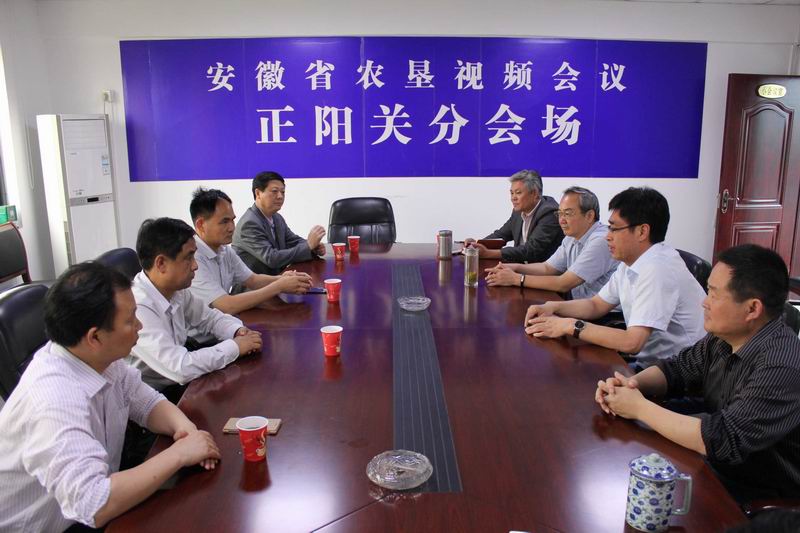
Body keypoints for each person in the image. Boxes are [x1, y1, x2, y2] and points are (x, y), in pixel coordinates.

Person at [0, 262, 221, 531]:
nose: (139, 325)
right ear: (94, 337)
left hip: (88, 508)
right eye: (130, 320)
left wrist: (186, 431)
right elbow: (93, 503)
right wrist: (180, 454)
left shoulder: (97, 357)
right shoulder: (53, 400)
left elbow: (146, 402)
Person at [596, 245, 800, 503]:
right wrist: (631, 385)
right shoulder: (725, 337)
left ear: (752, 309)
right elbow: (677, 370)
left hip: (761, 489)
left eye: (714, 294)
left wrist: (638, 408)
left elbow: (724, 439)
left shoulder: (781, 366)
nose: (704, 301)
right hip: (715, 462)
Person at [525, 187, 706, 367]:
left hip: (680, 372)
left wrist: (569, 325)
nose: (607, 237)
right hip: (653, 365)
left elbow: (632, 342)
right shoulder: (631, 262)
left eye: (614, 229)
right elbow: (596, 305)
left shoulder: (658, 269)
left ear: (642, 232)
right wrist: (553, 306)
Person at [128, 217, 263, 392]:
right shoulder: (137, 307)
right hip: (154, 393)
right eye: (188, 257)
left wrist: (236, 331)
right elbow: (180, 368)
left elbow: (209, 318)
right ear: (161, 263)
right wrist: (236, 346)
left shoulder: (175, 290)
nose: (195, 266)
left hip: (181, 380)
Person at [190, 187, 312, 314]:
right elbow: (227, 306)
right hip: (203, 326)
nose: (232, 228)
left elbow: (253, 280)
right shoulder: (192, 258)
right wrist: (279, 286)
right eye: (224, 221)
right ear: (200, 225)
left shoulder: (224, 250)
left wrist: (282, 279)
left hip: (221, 322)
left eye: (232, 220)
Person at [485, 186, 618, 299]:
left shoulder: (601, 241)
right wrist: (514, 268)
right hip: (579, 303)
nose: (562, 220)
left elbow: (564, 283)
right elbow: (548, 268)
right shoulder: (572, 236)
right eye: (560, 214)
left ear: (589, 216)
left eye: (567, 213)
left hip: (603, 314)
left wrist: (516, 279)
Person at [232, 171, 327, 275]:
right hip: (257, 284)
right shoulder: (249, 224)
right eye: (274, 191)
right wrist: (308, 246)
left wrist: (314, 247)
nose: (280, 196)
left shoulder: (277, 218)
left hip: (277, 279)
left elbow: (292, 241)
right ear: (258, 193)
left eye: (283, 192)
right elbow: (272, 258)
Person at [465, 169, 563, 263]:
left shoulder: (549, 213)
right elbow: (501, 235)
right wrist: (477, 244)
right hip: (521, 266)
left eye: (518, 193)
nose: (513, 198)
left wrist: (488, 253)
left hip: (542, 271)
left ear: (534, 193)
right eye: (512, 193)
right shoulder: (518, 212)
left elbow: (531, 250)